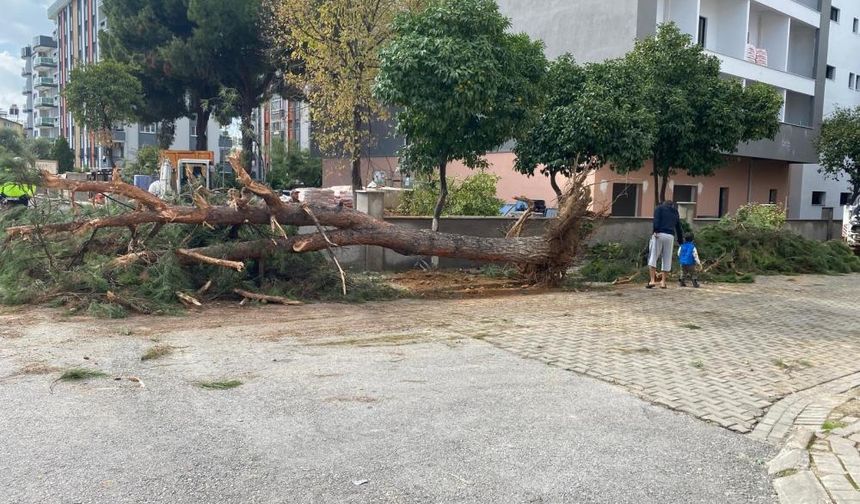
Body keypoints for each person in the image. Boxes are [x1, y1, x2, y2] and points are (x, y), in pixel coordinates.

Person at [647, 200, 684, 289]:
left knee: (653, 256)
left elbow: (656, 220)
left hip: (659, 234)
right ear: (672, 205)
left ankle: (652, 280)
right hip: (670, 236)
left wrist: (655, 230)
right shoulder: (675, 212)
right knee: (667, 258)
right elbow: (678, 227)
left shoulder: (659, 208)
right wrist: (680, 241)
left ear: (664, 204)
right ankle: (663, 282)